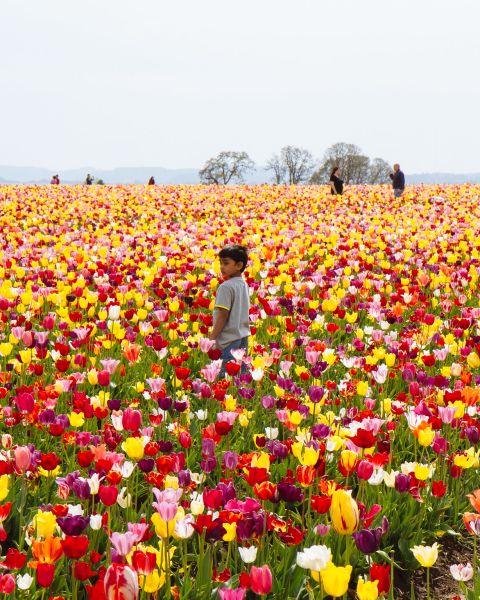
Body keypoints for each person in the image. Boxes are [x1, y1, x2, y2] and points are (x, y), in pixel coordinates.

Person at [210, 245, 250, 378]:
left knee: (226, 377)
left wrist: (212, 338)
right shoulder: (243, 284)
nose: (222, 267)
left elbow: (223, 315)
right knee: (240, 377)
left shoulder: (225, 287)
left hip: (228, 340)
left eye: (226, 263)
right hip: (243, 337)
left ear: (239, 265)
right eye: (220, 263)